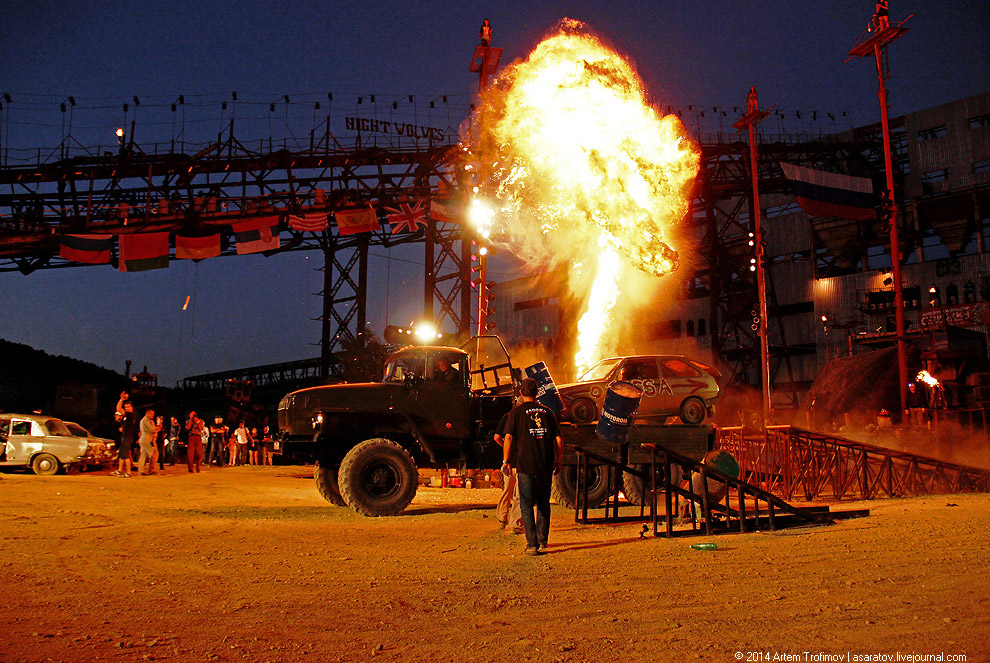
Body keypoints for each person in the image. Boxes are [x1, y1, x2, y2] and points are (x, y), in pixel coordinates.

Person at [501, 378, 563, 556]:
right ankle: (543, 541)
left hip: (526, 465)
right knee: (544, 504)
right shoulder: (547, 412)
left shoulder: (517, 412)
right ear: (537, 393)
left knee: (526, 505)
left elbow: (509, 438)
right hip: (545, 464)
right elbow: (558, 439)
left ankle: (532, 545)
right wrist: (558, 460)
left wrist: (506, 461)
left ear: (521, 393)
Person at [493, 410, 523, 534]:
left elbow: (497, 437)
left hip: (509, 461)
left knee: (507, 490)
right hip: (522, 461)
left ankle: (502, 519)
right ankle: (516, 524)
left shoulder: (507, 417)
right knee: (519, 494)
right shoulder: (526, 418)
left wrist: (505, 447)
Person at [113, 401, 137, 478]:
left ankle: (128, 472)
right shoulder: (127, 417)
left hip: (127, 438)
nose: (126, 409)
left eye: (128, 407)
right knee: (121, 454)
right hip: (125, 437)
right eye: (126, 407)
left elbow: (118, 409)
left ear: (132, 407)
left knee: (126, 455)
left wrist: (121, 400)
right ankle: (119, 470)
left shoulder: (130, 415)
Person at [137, 408, 159, 475]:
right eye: (151, 413)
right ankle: (152, 470)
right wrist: (156, 428)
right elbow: (152, 429)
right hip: (147, 439)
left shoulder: (145, 420)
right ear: (147, 413)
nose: (153, 415)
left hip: (145, 438)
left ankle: (141, 470)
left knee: (143, 455)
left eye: (153, 414)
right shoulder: (146, 420)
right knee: (154, 454)